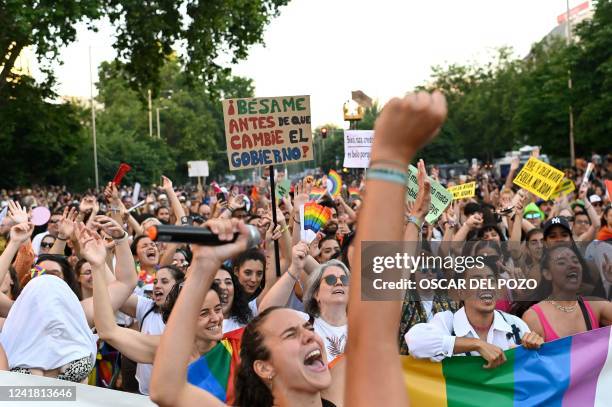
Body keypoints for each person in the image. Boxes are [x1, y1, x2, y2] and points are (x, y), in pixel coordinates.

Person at [149, 218, 343, 407]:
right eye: (290, 334)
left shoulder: (343, 388)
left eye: (308, 328)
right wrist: (203, 264)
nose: (310, 336)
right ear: (265, 368)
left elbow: (374, 291)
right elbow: (166, 390)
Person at [407, 265, 542, 366]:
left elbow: (534, 369)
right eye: (476, 281)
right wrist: (476, 344)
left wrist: (536, 347)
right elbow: (415, 342)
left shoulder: (515, 324)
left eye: (491, 280)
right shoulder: (447, 322)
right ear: (461, 292)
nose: (485, 285)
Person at [260, 241, 349, 365]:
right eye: (331, 279)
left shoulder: (363, 326)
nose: (339, 283)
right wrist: (294, 269)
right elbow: (265, 313)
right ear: (316, 293)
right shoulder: (303, 322)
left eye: (344, 280)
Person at [522, 244, 612, 342]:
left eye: (575, 261)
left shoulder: (595, 306)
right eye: (561, 262)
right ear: (547, 274)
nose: (572, 265)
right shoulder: (533, 317)